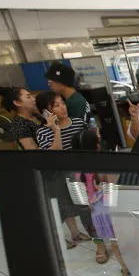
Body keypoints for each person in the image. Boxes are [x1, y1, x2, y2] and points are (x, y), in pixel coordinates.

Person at [34, 90, 98, 252]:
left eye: (63, 103)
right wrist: (56, 130)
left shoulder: (78, 123)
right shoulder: (42, 132)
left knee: (86, 206)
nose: (63, 107)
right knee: (67, 205)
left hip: (81, 173)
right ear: (45, 112)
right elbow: (54, 155)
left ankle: (95, 235)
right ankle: (79, 234)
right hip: (60, 175)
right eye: (56, 106)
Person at [72, 129, 132, 276]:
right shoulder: (104, 165)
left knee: (113, 242)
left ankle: (125, 269)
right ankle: (132, 264)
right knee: (123, 240)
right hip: (113, 210)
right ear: (96, 145)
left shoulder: (77, 171)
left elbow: (81, 196)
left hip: (97, 213)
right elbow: (113, 189)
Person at [0, 85, 54, 151]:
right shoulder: (19, 124)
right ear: (17, 103)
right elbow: (34, 152)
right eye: (28, 97)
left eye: (32, 96)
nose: (34, 99)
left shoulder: (36, 114)